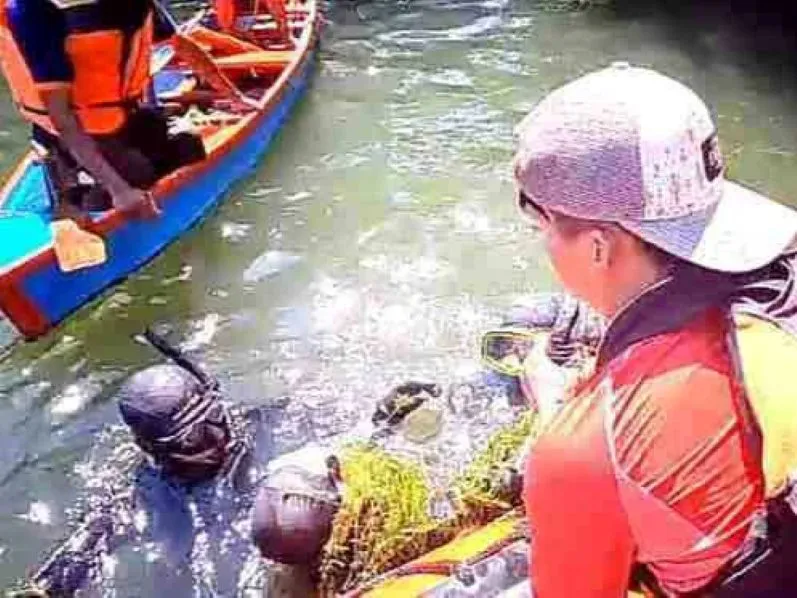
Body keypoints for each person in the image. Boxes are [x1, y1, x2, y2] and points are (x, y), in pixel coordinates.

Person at [513, 62, 797, 596]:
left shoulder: (584, 449)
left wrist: (555, 423)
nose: (541, 246)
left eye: (540, 226)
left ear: (599, 246)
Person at [0, 0, 254, 217]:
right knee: (139, 172)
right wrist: (119, 189)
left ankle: (88, 185)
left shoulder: (133, 5)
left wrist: (234, 95)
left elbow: (182, 46)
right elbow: (61, 116)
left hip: (114, 120)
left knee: (184, 144)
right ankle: (78, 195)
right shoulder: (34, 14)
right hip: (69, 131)